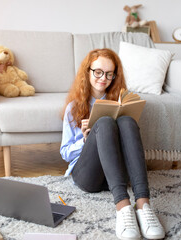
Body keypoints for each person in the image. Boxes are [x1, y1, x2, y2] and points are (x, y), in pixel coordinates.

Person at [60, 48, 165, 240]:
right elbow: (65, 153)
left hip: (116, 176)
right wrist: (85, 140)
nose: (103, 78)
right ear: (88, 72)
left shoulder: (119, 100)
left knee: (127, 121)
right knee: (104, 122)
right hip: (87, 177)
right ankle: (123, 208)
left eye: (109, 74)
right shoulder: (73, 107)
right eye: (98, 72)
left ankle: (143, 205)